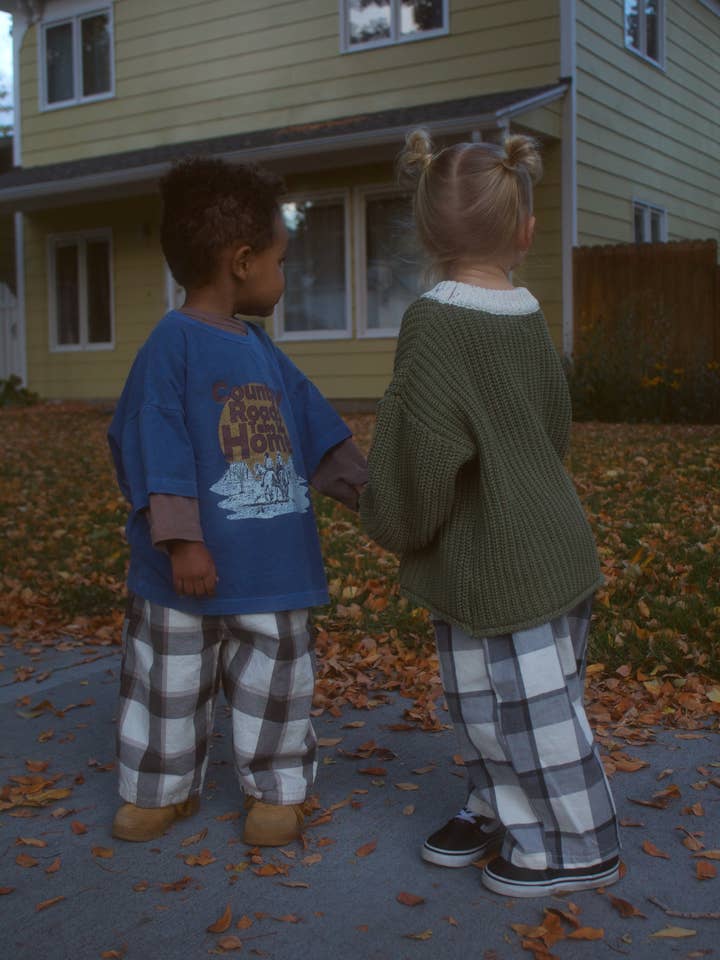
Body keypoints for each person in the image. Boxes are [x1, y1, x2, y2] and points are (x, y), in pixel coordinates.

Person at [359, 130, 620, 898]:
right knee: (489, 700)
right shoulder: (526, 311)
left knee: (534, 715)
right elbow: (554, 425)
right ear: (525, 231)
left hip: (517, 557)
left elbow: (418, 446)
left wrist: (392, 516)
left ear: (423, 231)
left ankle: (579, 843)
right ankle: (503, 809)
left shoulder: (434, 322)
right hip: (527, 545)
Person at [108, 156, 367, 846]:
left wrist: (374, 496)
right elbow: (151, 442)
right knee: (168, 680)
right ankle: (160, 787)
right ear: (244, 261)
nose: (286, 277)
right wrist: (182, 540)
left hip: (272, 568)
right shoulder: (171, 345)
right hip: (184, 575)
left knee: (275, 685)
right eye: (282, 261)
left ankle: (276, 788)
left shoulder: (262, 351)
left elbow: (316, 431)